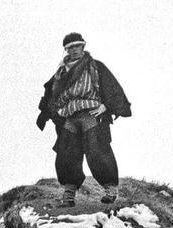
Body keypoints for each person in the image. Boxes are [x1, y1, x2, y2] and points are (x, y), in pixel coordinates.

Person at [35, 32, 132, 209]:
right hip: (69, 118)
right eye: (70, 47)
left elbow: (113, 89)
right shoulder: (60, 73)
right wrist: (51, 112)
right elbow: (52, 95)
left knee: (97, 151)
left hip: (91, 115)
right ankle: (69, 193)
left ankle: (110, 189)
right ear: (66, 50)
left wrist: (106, 107)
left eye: (78, 45)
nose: (75, 50)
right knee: (67, 155)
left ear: (83, 46)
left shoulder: (95, 67)